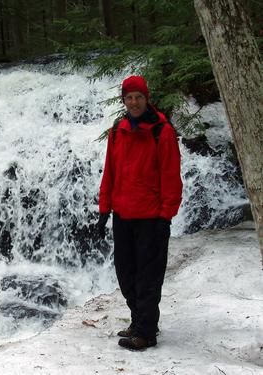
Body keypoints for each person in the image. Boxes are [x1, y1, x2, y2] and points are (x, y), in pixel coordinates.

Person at [97, 75, 183, 350]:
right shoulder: (117, 129)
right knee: (126, 274)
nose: (134, 102)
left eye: (138, 97)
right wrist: (104, 209)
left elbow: (171, 176)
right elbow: (109, 171)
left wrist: (165, 215)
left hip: (151, 217)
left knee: (148, 277)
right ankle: (139, 320)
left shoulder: (162, 131)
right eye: (129, 98)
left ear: (147, 99)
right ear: (124, 101)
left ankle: (146, 332)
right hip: (123, 214)